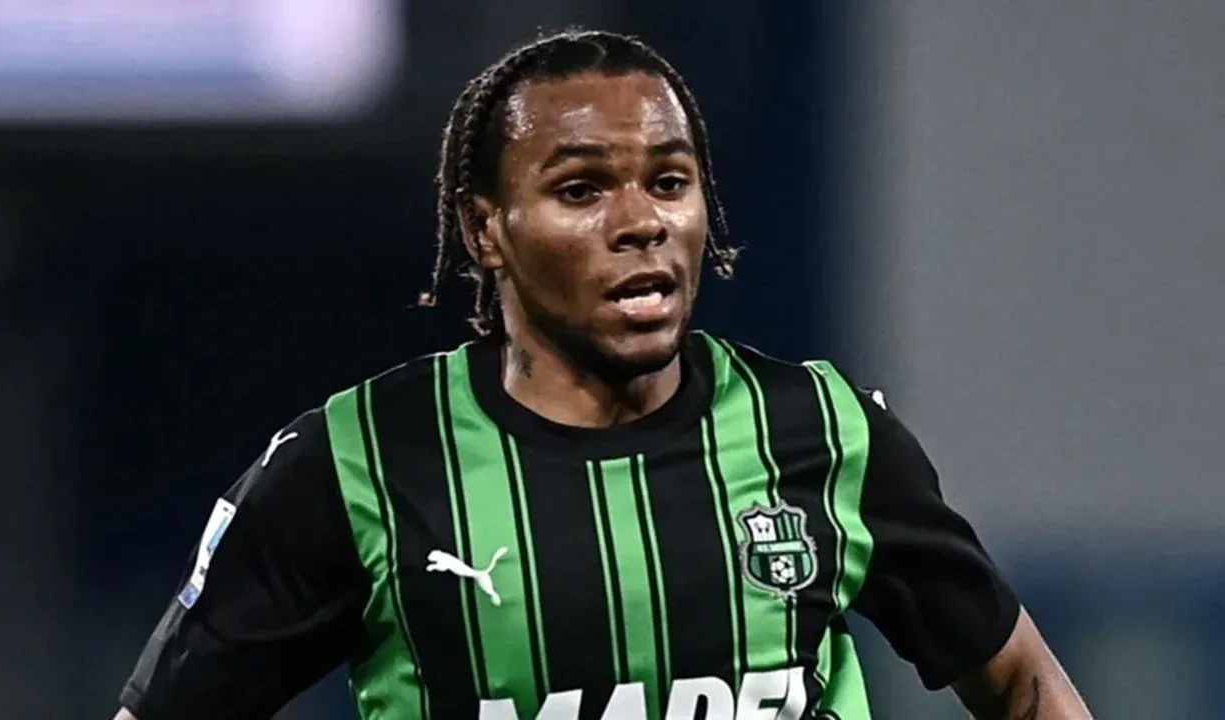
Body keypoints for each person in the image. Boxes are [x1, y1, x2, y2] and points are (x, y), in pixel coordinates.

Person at [115, 28, 1090, 720]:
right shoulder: (358, 464)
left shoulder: (823, 435)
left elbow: (1023, 685)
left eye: (668, 182)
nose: (640, 222)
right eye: (581, 189)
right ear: (484, 229)